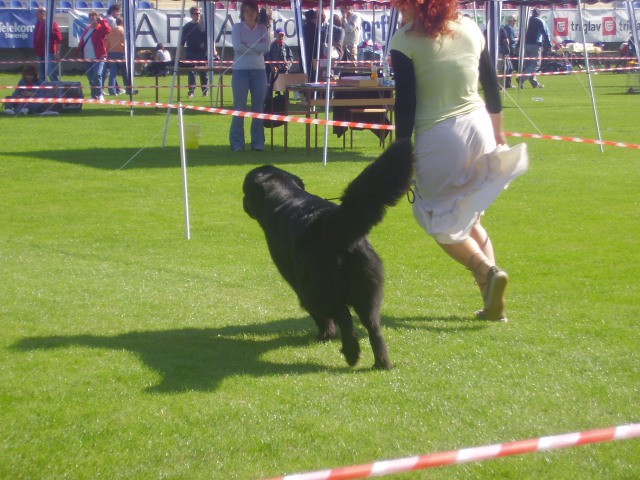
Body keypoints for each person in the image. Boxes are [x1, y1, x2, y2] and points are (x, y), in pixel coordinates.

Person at [390, 0, 528, 322]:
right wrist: (498, 133)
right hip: (479, 126)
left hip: (439, 136)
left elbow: (406, 105)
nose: (399, 12)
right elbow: (492, 87)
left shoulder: (404, 40)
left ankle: (484, 269)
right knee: (469, 216)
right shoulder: (470, 28)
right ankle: (491, 295)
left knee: (438, 219)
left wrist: (400, 154)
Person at [229, 0, 270, 152]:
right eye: (247, 11)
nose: (250, 13)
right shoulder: (237, 28)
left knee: (258, 108)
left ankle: (258, 142)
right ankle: (237, 143)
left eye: (252, 11)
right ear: (242, 13)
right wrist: (255, 47)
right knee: (239, 107)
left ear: (257, 13)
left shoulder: (262, 28)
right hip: (240, 71)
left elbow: (266, 47)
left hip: (259, 71)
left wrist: (248, 46)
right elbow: (238, 47)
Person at [77, 10, 111, 100]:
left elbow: (108, 30)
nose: (92, 18)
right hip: (87, 57)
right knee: (91, 78)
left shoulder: (100, 28)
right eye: (91, 16)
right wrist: (79, 51)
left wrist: (102, 20)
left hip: (99, 56)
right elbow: (82, 41)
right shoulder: (87, 28)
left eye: (94, 16)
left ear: (97, 18)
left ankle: (100, 94)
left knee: (97, 74)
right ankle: (94, 95)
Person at [181, 6, 208, 98]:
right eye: (196, 13)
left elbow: (210, 40)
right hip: (191, 52)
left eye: (199, 13)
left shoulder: (204, 26)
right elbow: (182, 42)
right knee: (191, 72)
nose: (198, 15)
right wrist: (181, 55)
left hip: (202, 53)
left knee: (203, 72)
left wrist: (213, 51)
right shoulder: (186, 27)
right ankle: (191, 91)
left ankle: (205, 91)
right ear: (191, 15)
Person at [520, 8, 551, 89]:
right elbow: (545, 33)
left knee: (529, 65)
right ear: (539, 14)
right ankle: (521, 79)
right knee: (536, 64)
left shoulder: (527, 20)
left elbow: (521, 32)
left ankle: (534, 84)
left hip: (525, 44)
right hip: (535, 45)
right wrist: (549, 45)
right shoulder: (540, 21)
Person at [106, 17, 136, 96]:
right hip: (121, 53)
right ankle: (128, 90)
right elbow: (125, 42)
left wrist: (108, 51)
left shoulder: (111, 31)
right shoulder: (123, 31)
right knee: (124, 73)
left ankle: (111, 91)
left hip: (111, 53)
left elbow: (107, 43)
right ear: (123, 23)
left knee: (112, 74)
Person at [33, 7, 62, 82]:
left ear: (44, 13)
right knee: (42, 74)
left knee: (51, 73)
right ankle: (43, 92)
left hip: (50, 52)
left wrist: (57, 52)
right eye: (38, 12)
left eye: (40, 12)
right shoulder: (38, 23)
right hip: (39, 53)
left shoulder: (51, 23)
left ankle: (57, 90)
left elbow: (58, 38)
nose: (38, 14)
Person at [302, 9, 319, 80]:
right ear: (313, 18)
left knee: (307, 74)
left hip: (305, 53)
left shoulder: (303, 28)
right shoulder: (316, 29)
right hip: (315, 54)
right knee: (315, 75)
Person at [498, 24, 513, 88]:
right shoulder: (501, 30)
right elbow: (506, 41)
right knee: (503, 69)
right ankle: (501, 86)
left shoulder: (487, 30)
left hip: (489, 52)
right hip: (501, 52)